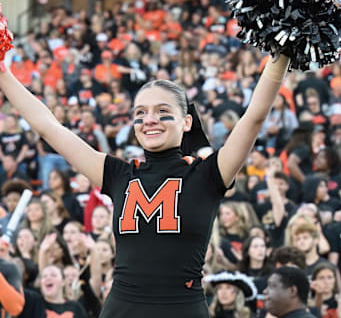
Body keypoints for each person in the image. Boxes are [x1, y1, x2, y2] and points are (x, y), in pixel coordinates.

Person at [0, 30, 290, 317]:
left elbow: (254, 117)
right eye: (140, 113)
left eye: (162, 111)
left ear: (186, 121)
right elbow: (49, 127)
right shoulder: (116, 174)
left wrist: (282, 52)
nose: (149, 120)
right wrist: (2, 71)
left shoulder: (208, 174)